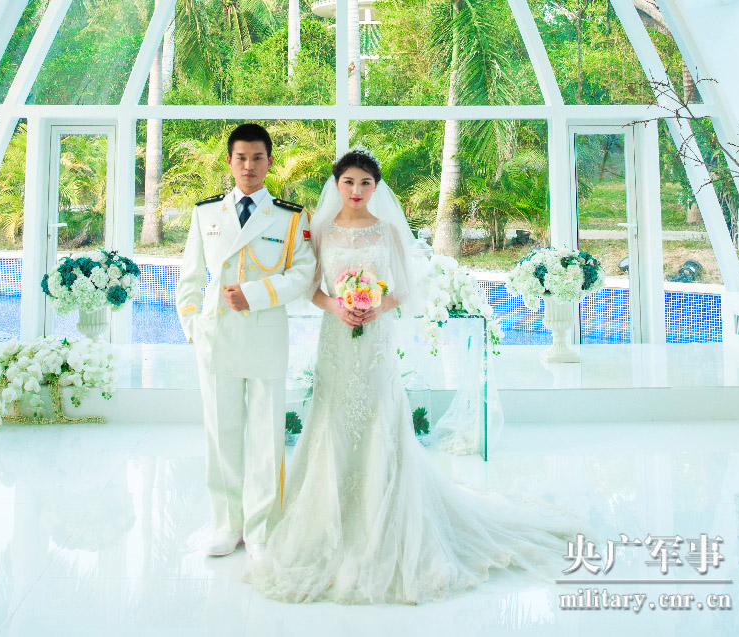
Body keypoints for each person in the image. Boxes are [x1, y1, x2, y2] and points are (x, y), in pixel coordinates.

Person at [245, 148, 579, 604]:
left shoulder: (387, 231)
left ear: (375, 187)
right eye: (349, 182)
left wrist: (375, 305)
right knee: (332, 417)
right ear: (336, 184)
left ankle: (385, 512)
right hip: (337, 338)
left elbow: (403, 288)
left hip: (376, 340)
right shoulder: (319, 230)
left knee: (379, 414)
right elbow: (311, 289)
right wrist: (340, 306)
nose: (357, 190)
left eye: (365, 183)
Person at [176, 123, 316, 560]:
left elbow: (304, 274)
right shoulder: (206, 213)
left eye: (257, 158)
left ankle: (260, 529)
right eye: (241, 158)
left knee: (266, 436)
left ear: (270, 162)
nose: (249, 166)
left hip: (264, 335)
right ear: (230, 161)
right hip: (216, 337)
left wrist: (253, 295)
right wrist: (192, 326)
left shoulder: (290, 217)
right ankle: (226, 524)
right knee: (221, 434)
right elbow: (190, 276)